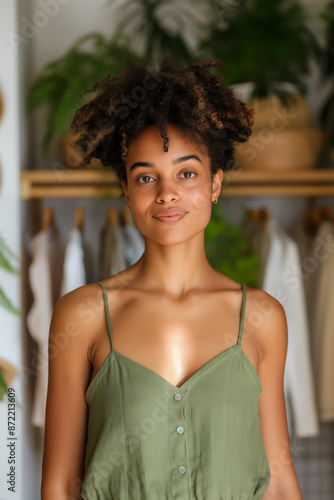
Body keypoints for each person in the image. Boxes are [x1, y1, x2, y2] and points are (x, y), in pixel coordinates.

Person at [41, 57, 302, 500]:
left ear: (215, 184)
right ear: (126, 190)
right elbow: (62, 485)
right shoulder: (82, 315)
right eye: (147, 177)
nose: (167, 193)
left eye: (187, 173)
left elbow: (277, 480)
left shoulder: (261, 318)